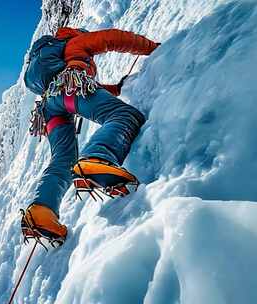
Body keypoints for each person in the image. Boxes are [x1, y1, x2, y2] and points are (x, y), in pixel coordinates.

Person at [21, 27, 160, 246]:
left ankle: (42, 211)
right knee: (124, 115)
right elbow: (112, 38)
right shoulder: (71, 43)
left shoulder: (43, 60)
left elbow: (84, 88)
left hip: (50, 108)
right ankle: (98, 157)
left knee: (62, 160)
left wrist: (115, 88)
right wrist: (154, 49)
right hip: (69, 87)